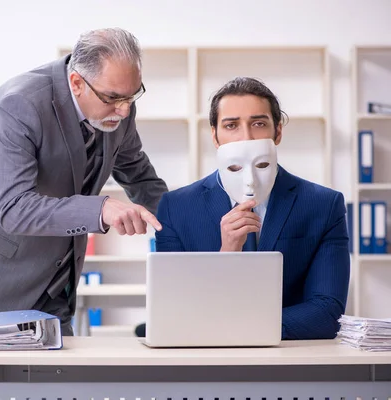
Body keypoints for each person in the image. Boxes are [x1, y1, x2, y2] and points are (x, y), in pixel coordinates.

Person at [0, 27, 168, 381]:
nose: (124, 111)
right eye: (113, 98)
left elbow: (141, 178)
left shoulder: (119, 108)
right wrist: (100, 209)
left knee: (58, 386)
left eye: (133, 96)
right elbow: (16, 207)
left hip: (53, 281)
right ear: (77, 83)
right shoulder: (18, 104)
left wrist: (190, 222)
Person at [135, 77, 350, 340]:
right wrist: (227, 255)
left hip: (290, 359)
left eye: (258, 124)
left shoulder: (323, 205)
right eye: (231, 125)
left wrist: (236, 327)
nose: (246, 137)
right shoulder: (176, 208)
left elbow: (327, 313)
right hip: (205, 363)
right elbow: (174, 307)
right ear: (215, 136)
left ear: (278, 132)